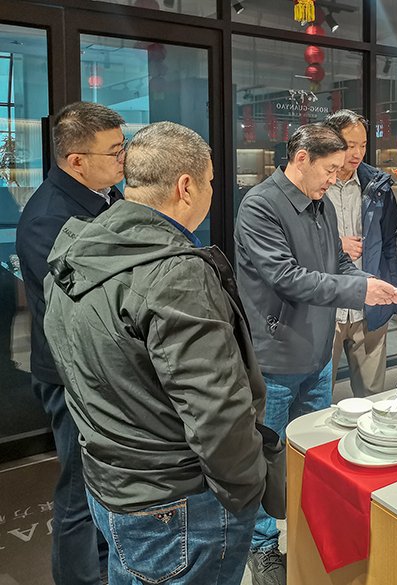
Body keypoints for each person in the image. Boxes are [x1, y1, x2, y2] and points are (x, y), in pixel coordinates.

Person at [43, 121, 283, 585]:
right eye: (211, 181)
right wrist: (249, 490)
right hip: (178, 502)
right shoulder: (174, 275)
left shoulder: (78, 249)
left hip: (115, 483)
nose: (212, 191)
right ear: (185, 187)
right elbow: (217, 413)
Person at [235, 123, 397, 584]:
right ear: (301, 158)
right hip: (276, 354)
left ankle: (311, 532)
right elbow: (286, 277)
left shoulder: (321, 203)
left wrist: (367, 282)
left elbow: (338, 263)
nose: (335, 178)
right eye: (329, 169)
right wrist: (358, 289)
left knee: (315, 450)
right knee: (268, 456)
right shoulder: (260, 205)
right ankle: (263, 545)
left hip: (318, 351)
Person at [16, 101, 125, 585]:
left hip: (105, 368)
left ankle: (104, 566)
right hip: (72, 375)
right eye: (114, 151)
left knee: (106, 484)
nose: (123, 159)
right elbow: (80, 306)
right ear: (76, 160)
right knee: (79, 491)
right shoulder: (48, 218)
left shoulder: (108, 197)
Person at [324, 110, 397, 396]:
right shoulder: (315, 184)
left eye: (363, 145)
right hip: (326, 307)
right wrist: (337, 244)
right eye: (350, 145)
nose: (357, 153)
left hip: (370, 305)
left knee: (373, 394)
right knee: (318, 396)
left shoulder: (377, 185)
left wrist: (392, 291)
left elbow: (391, 243)